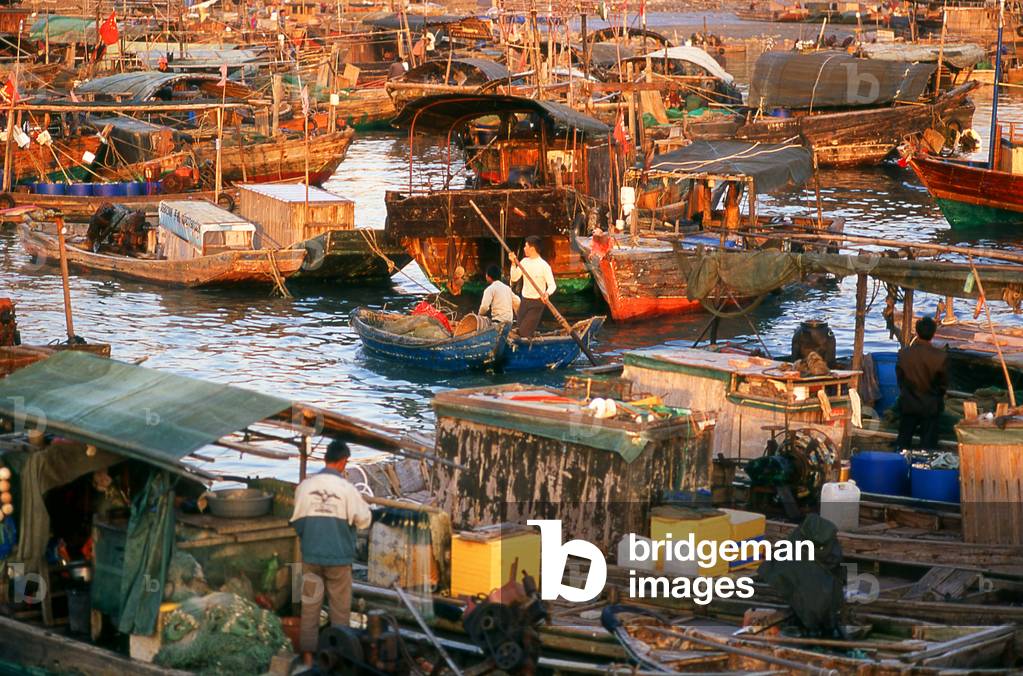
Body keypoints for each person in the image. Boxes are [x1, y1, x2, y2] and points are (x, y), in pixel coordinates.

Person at [290, 439, 372, 666]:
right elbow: (364, 520)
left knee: (310, 607)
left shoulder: (305, 486)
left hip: (311, 557)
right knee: (340, 611)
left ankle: (307, 658)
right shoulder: (347, 489)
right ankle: (339, 658)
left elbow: (296, 522)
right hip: (339, 560)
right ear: (344, 461)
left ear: (325, 458)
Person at [895, 316, 948, 451]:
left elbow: (900, 379)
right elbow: (943, 384)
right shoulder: (940, 356)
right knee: (928, 447)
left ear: (917, 333)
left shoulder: (903, 354)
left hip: (908, 404)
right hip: (930, 406)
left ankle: (900, 460)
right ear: (933, 334)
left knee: (903, 443)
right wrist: (936, 396)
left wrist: (907, 393)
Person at [508, 235, 556, 338]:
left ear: (532, 249)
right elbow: (514, 278)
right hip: (524, 301)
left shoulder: (544, 265)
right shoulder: (524, 262)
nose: (524, 249)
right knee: (520, 329)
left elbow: (552, 285)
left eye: (526, 246)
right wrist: (513, 263)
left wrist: (547, 293)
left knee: (524, 333)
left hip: (537, 303)